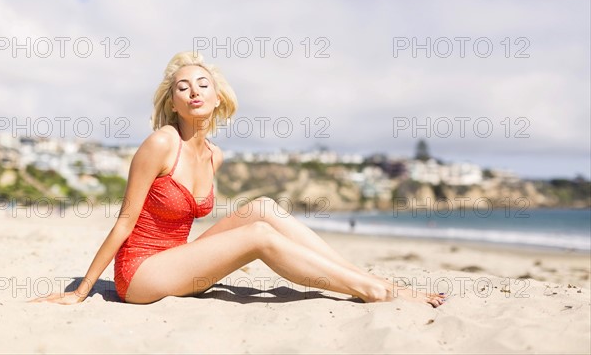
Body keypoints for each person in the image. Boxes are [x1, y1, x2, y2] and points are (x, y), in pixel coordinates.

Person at [32, 52, 445, 307]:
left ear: (217, 97)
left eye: (202, 84)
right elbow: (125, 221)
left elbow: (189, 227)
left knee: (263, 209)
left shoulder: (216, 156)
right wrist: (82, 290)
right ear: (172, 102)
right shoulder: (160, 143)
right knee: (258, 237)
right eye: (182, 87)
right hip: (139, 274)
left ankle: (374, 279)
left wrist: (213, 256)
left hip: (177, 262)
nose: (193, 91)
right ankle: (372, 291)